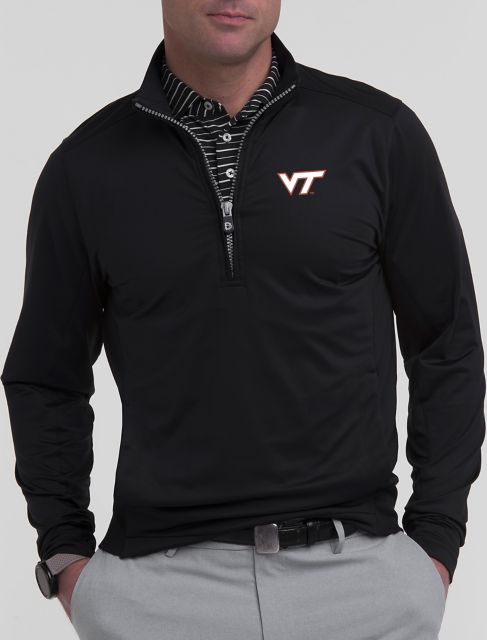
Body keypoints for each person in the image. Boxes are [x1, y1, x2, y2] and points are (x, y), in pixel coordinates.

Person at [2, 1, 485, 638]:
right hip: (158, 593)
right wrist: (65, 554)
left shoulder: (376, 134)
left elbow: (446, 342)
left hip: (362, 584)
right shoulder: (85, 168)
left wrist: (436, 543)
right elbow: (45, 375)